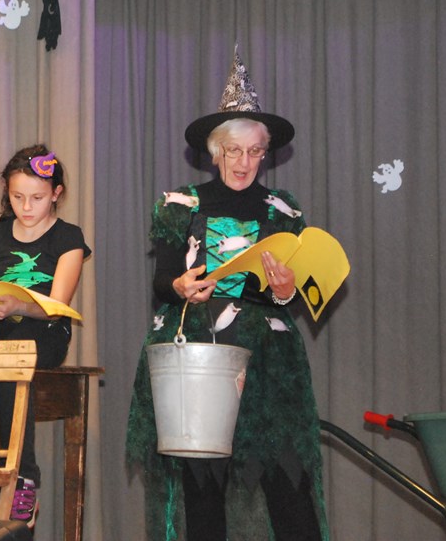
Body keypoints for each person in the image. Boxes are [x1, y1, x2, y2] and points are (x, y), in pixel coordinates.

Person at [126, 51, 328, 541]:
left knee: (288, 479)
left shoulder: (283, 211)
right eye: (234, 151)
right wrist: (179, 286)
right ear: (216, 152)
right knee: (204, 486)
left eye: (255, 151)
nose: (244, 162)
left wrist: (287, 292)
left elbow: (292, 294)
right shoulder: (181, 204)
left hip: (269, 365)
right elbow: (163, 281)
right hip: (201, 359)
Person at [0, 144, 91, 529]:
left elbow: (58, 305)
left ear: (56, 193)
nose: (26, 207)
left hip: (45, 331)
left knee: (12, 358)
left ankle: (24, 476)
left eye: (36, 198)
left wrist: (19, 306)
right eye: (17, 197)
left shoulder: (68, 237)